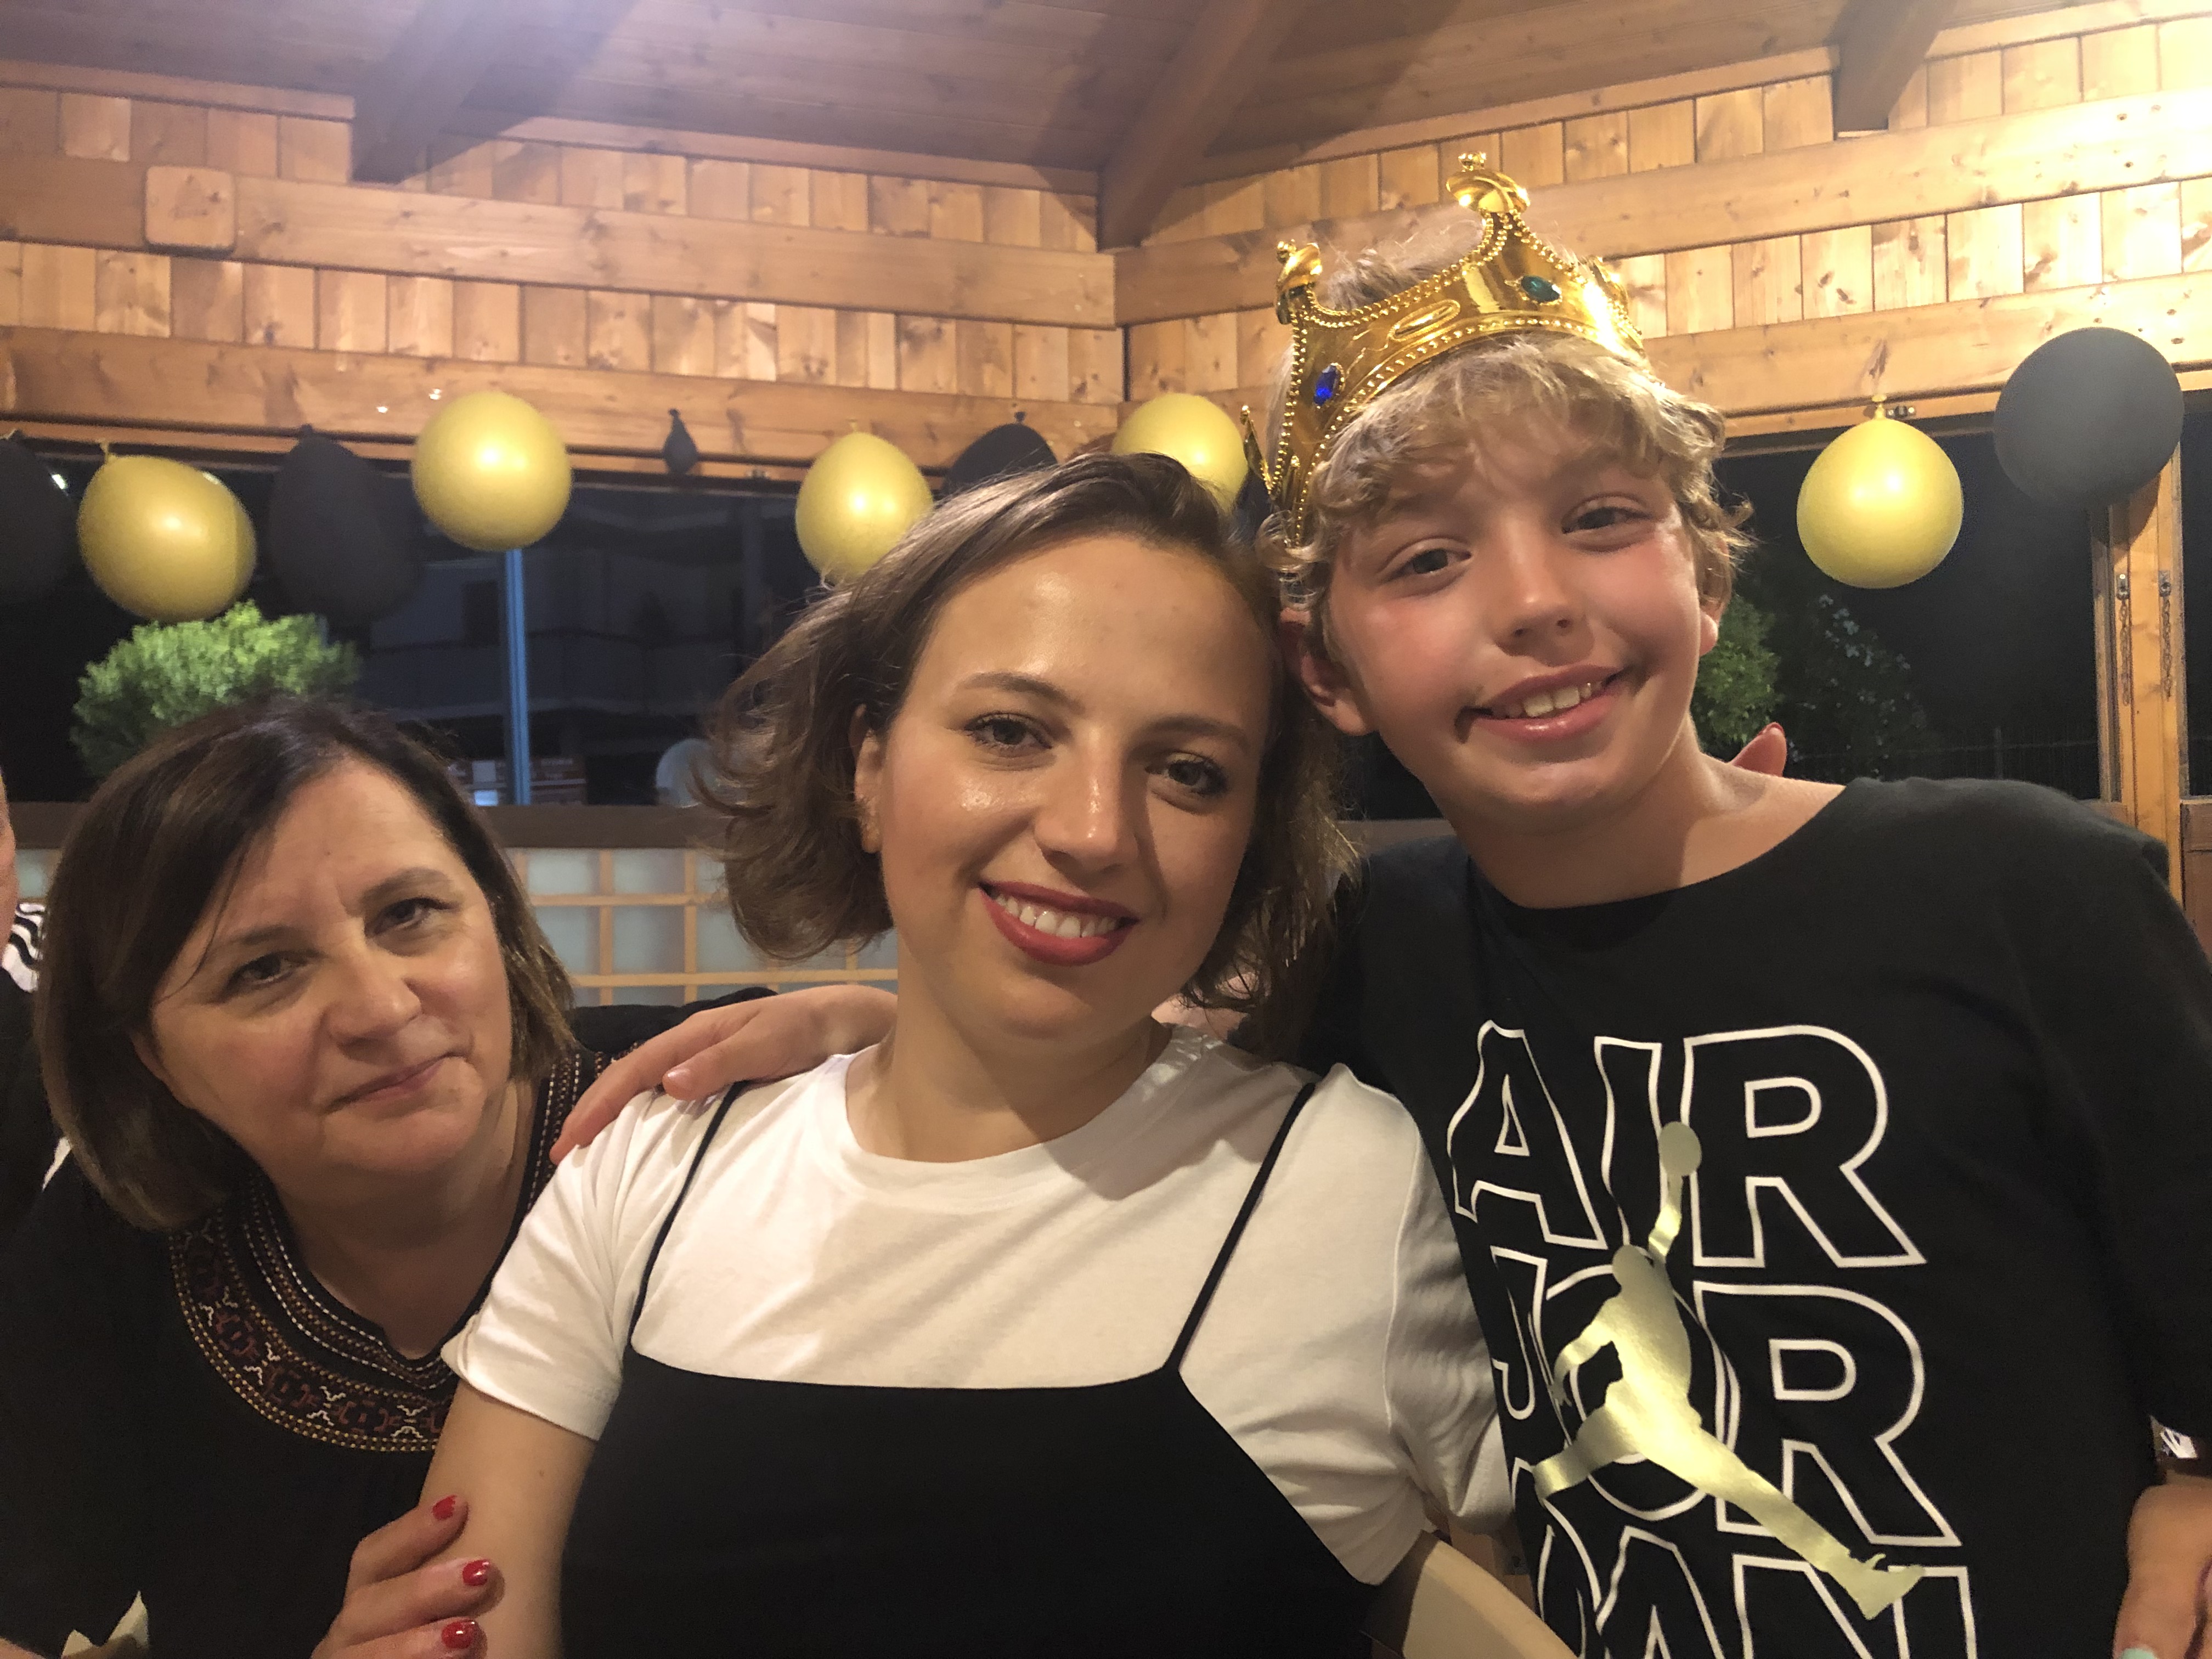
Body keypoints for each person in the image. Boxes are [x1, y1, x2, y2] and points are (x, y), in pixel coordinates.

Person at [557, 160, 2212, 1657]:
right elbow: (1133, 1069)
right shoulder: (1374, 947)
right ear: (1327, 670)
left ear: (1704, 571)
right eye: (1426, 559)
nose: (1537, 602)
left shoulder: (2025, 887)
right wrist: (886, 1019)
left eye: (1601, 519)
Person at [419, 454, 1508, 1656]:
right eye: (1010, 731)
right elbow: (461, 1617)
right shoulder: (655, 1166)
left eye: (1188, 772)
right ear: (868, 769)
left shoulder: (1348, 1186)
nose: (1093, 831)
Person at [0, 701, 888, 1659]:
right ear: (152, 1057)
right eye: (264, 970)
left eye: (409, 914)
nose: (381, 1008)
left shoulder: (685, 1119)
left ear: (494, 915)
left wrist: (900, 1048)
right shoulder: (118, 1242)